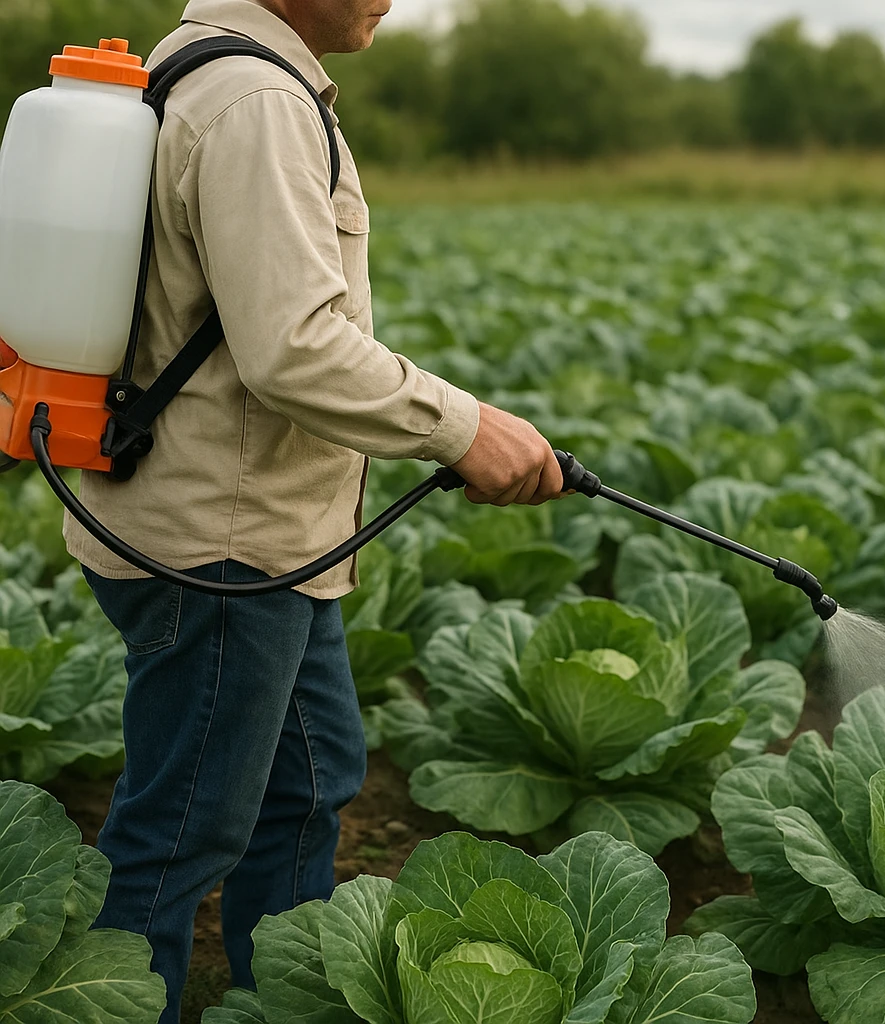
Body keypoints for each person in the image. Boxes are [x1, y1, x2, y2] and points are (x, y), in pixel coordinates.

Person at [61, 1, 563, 1020]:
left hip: (262, 538)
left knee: (309, 781)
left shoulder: (197, 62)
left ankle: (281, 998)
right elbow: (293, 348)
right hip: (225, 549)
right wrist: (465, 427)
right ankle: (113, 1002)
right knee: (180, 832)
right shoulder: (256, 100)